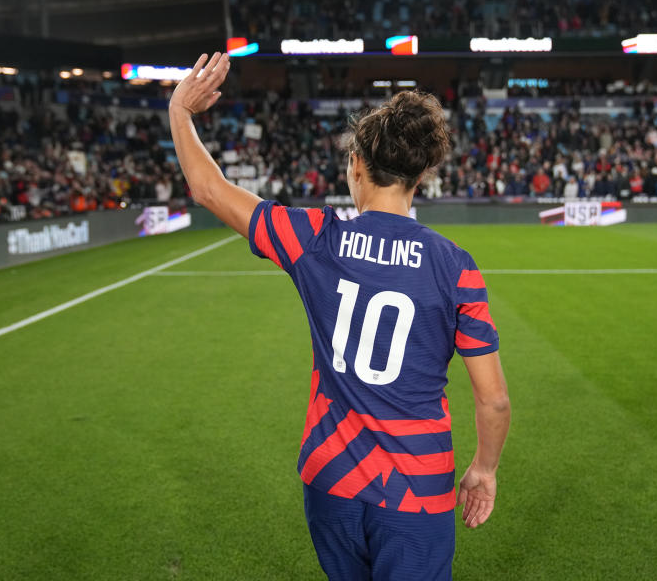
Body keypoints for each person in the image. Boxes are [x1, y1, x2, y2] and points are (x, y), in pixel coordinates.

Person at [169, 52, 510, 580]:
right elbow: (493, 399)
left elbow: (209, 189)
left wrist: (180, 113)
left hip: (331, 479)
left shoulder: (314, 238)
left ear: (356, 167)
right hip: (417, 489)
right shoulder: (454, 266)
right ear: (420, 177)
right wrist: (484, 468)